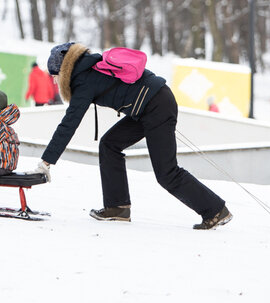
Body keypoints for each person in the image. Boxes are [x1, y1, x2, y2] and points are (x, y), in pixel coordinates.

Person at [37, 42, 231, 229]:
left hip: (156, 106)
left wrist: (46, 162)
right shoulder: (90, 67)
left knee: (167, 173)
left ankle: (214, 210)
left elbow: (68, 125)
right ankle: (117, 207)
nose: (54, 81)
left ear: (63, 72)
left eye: (55, 76)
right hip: (152, 104)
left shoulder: (83, 81)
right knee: (109, 144)